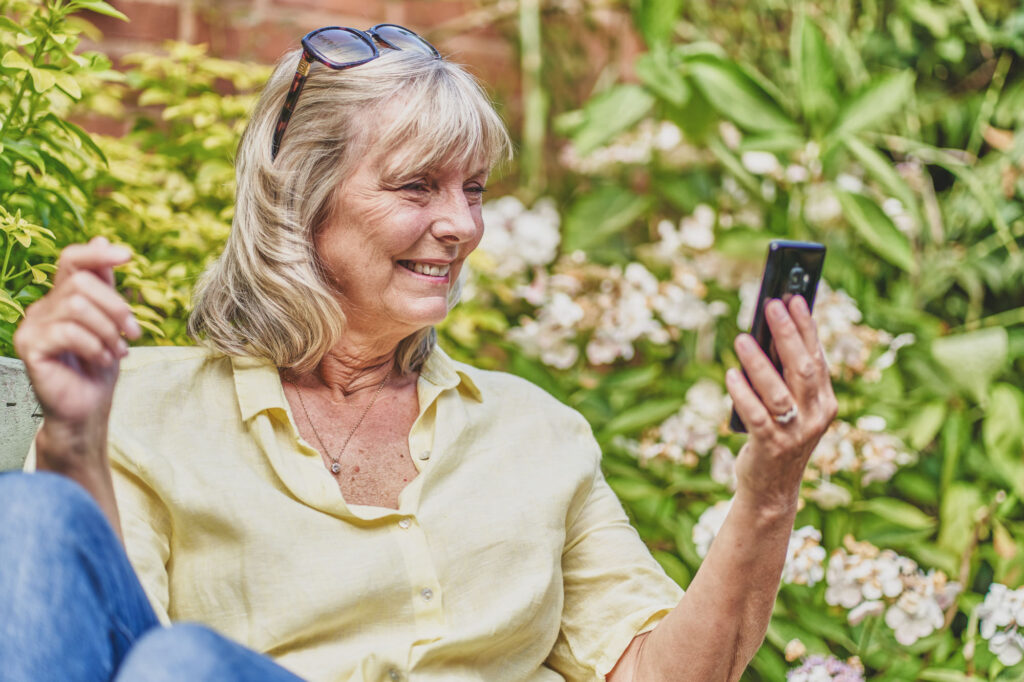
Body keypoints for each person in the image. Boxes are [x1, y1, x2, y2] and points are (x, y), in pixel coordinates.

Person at [1, 23, 838, 682]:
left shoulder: (535, 434)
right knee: (54, 536)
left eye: (472, 188)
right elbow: (108, 650)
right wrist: (73, 444)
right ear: (301, 198)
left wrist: (770, 485)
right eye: (417, 185)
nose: (464, 225)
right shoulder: (144, 415)